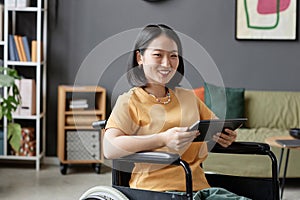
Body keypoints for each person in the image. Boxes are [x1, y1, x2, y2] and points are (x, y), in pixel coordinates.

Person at [103, 24, 249, 199]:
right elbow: (109, 148)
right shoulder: (129, 101)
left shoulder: (188, 97)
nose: (167, 63)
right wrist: (162, 139)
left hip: (199, 189)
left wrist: (225, 137)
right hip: (155, 191)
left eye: (173, 56)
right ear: (139, 58)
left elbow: (215, 127)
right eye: (158, 55)